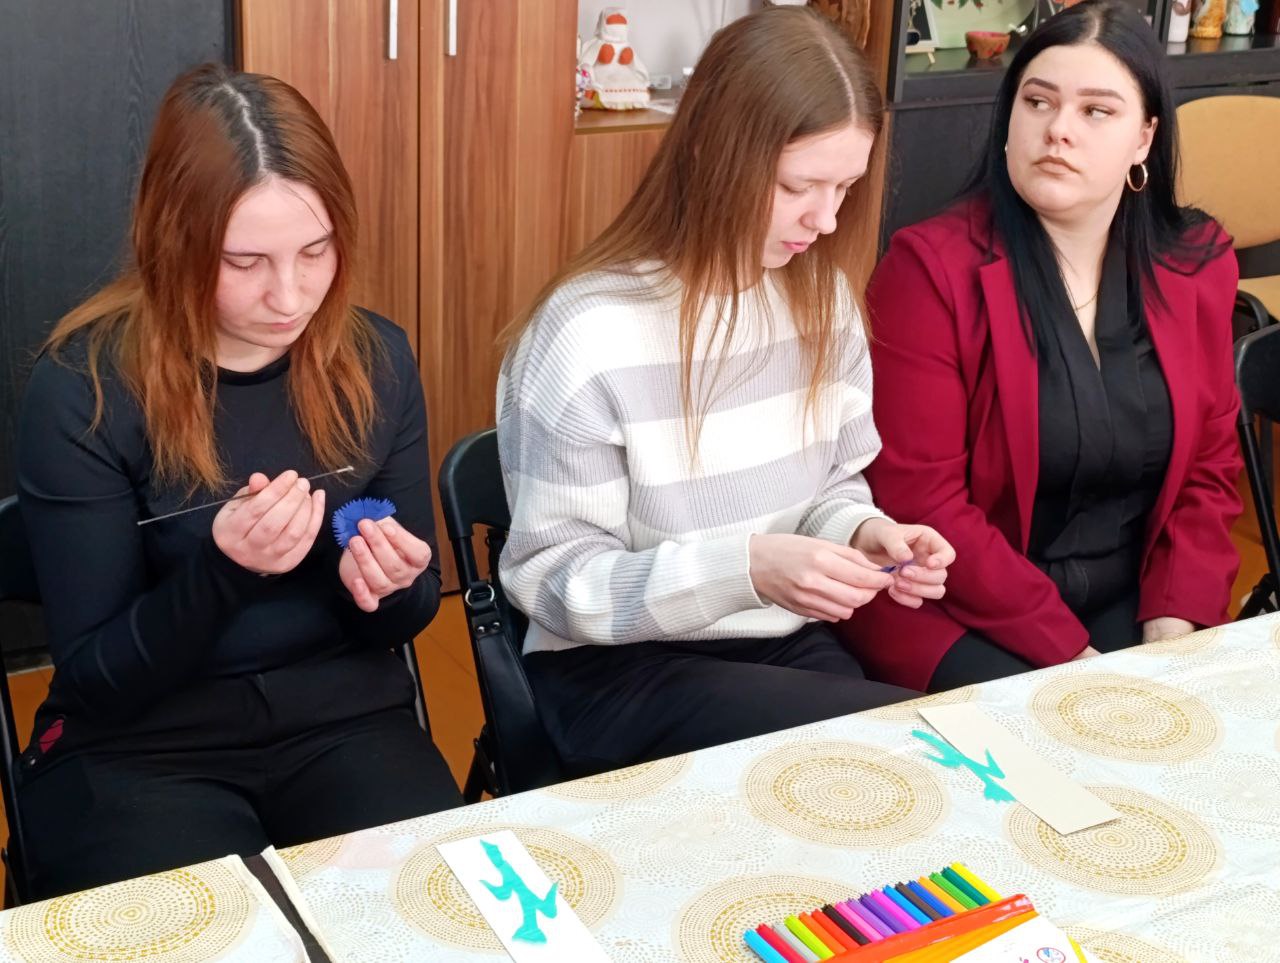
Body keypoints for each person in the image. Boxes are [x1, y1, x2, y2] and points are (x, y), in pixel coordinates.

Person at [15, 63, 461, 899]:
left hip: (345, 721)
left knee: (429, 915)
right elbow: (94, 678)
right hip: (143, 745)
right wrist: (225, 572)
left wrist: (394, 587)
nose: (289, 294)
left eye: (315, 251)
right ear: (172, 241)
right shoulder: (86, 388)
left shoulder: (376, 360)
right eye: (244, 261)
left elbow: (402, 616)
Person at [496, 6, 955, 777]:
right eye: (799, 185)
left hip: (780, 639)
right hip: (618, 669)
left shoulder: (823, 303)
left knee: (906, 765)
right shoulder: (588, 331)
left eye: (844, 186)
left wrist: (863, 533)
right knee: (887, 755)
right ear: (713, 151)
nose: (826, 219)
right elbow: (554, 580)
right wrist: (742, 569)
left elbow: (833, 487)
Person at [839, 0, 1241, 693]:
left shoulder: (1196, 262)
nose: (1058, 130)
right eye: (1038, 102)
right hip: (958, 606)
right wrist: (1078, 662)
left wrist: (1172, 631)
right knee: (1074, 735)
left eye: (1096, 110)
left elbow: (1209, 469)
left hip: (1133, 594)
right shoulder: (929, 270)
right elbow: (926, 501)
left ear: (1144, 138)